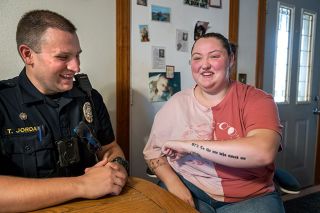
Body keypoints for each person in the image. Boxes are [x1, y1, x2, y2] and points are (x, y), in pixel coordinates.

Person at [0, 10, 128, 212]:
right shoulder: (3, 103)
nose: (76, 66)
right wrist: (82, 185)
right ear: (27, 54)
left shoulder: (90, 97)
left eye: (77, 55)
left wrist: (117, 167)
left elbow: (110, 148)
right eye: (63, 56)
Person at [143, 32, 285, 213]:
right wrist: (174, 184)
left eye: (214, 56)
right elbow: (153, 152)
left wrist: (189, 146)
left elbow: (262, 153)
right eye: (197, 58)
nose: (204, 65)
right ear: (190, 64)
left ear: (231, 59)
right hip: (190, 187)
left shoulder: (257, 100)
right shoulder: (176, 103)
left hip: (249, 197)